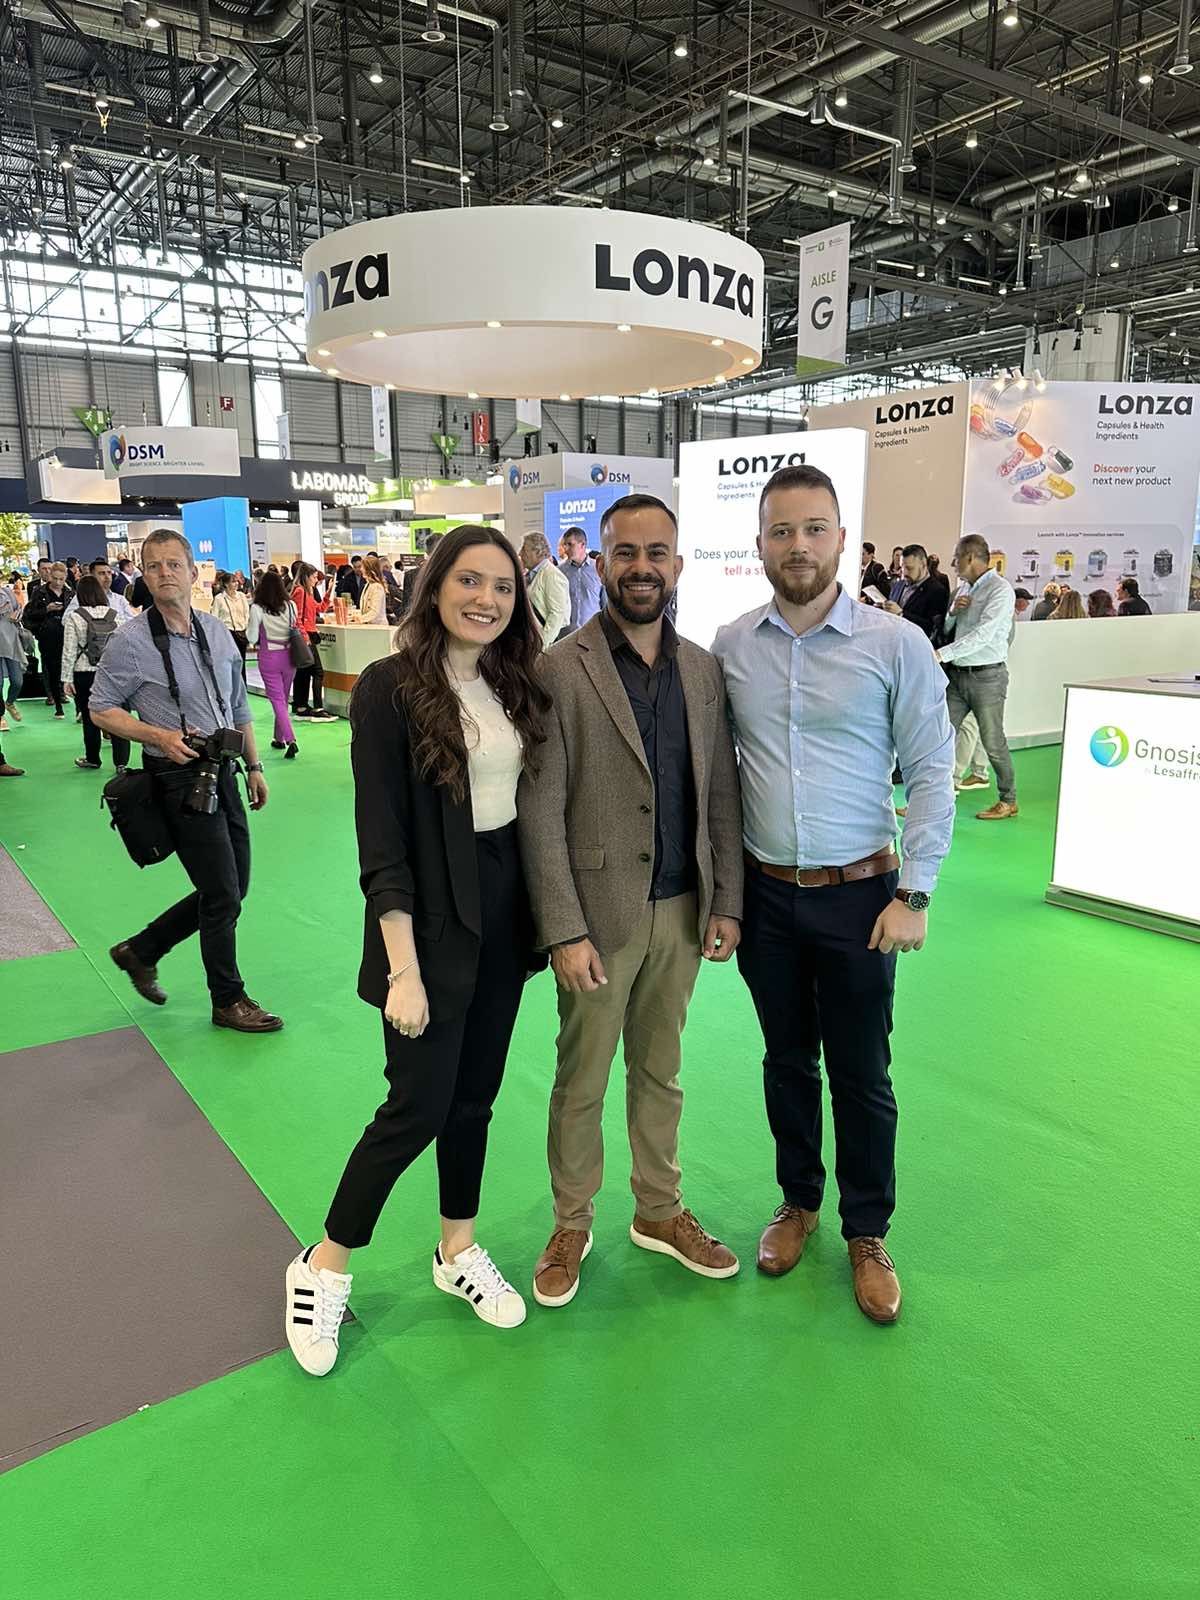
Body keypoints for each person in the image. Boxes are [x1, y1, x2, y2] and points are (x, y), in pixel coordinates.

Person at [285, 527, 552, 1375]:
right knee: (418, 1106)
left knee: (474, 1100)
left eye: (502, 586)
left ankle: (456, 1249)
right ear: (434, 587)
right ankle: (323, 1263)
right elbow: (383, 845)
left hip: (505, 910)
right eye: (469, 580)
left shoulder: (513, 681)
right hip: (428, 921)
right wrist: (402, 969)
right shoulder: (388, 688)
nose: (486, 599)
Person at [712, 464, 954, 1326]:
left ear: (843, 539)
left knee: (860, 1071)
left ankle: (867, 1230)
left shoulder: (896, 644)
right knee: (785, 1060)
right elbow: (718, 779)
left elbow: (932, 771)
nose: (799, 545)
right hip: (767, 897)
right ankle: (799, 1201)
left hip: (863, 897)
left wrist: (915, 893)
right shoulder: (731, 646)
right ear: (760, 545)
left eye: (815, 528)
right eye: (782, 531)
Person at [518, 493, 744, 1308]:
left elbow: (721, 792)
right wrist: (563, 929)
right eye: (625, 552)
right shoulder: (559, 668)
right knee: (581, 1079)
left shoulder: (704, 671)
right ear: (601, 562)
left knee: (661, 1071)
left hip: (683, 909)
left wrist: (727, 902)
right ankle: (571, 1224)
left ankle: (659, 1211)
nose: (641, 568)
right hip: (596, 919)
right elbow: (541, 809)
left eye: (656, 554)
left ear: (677, 566)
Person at [89, 528, 280, 1034]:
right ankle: (228, 999)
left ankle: (142, 949)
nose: (165, 573)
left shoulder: (215, 631)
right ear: (144, 576)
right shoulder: (130, 642)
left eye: (174, 563)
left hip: (225, 769)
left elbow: (238, 707)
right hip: (176, 777)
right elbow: (100, 708)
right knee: (221, 894)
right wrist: (157, 734)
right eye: (153, 566)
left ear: (194, 572)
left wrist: (255, 767)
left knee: (233, 887)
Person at [936, 534, 1018, 822]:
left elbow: (983, 635)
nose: (953, 564)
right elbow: (950, 627)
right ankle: (934, 799)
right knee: (940, 736)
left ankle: (1008, 800)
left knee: (993, 741)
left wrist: (940, 654)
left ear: (970, 557)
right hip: (958, 675)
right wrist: (952, 612)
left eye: (956, 558)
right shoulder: (964, 589)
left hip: (987, 677)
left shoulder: (1000, 590)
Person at [61, 574, 131, 773]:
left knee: (90, 716)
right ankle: (121, 763)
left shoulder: (75, 617)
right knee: (118, 716)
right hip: (112, 672)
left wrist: (66, 679)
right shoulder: (115, 615)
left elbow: (69, 649)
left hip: (85, 672)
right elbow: (124, 646)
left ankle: (93, 758)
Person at [247, 569, 300, 760]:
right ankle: (278, 738)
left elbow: (252, 637)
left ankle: (291, 739)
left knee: (277, 700)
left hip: (269, 656)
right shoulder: (291, 605)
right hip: (290, 656)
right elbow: (294, 625)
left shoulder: (257, 608)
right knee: (283, 699)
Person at [23, 561, 71, 717]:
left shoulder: (70, 592)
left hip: (67, 633)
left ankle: (65, 695)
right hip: (47, 635)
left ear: (65, 577)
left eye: (61, 579)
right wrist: (47, 609)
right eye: (55, 578)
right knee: (51, 668)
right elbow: (30, 614)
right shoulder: (39, 592)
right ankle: (56, 701)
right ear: (50, 576)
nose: (58, 582)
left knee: (68, 666)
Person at [290, 562, 337, 721]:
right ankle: (317, 708)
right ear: (307, 576)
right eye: (314, 577)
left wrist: (329, 592)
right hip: (305, 637)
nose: (316, 580)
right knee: (317, 671)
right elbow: (297, 617)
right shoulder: (300, 591)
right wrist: (305, 637)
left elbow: (320, 608)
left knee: (305, 672)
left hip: (308, 635)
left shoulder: (308, 592)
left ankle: (302, 706)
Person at [883, 544, 945, 642]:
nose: (904, 573)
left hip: (914, 644)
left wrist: (901, 614)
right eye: (902, 567)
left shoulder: (937, 591)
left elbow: (932, 628)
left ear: (923, 565)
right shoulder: (898, 585)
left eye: (909, 568)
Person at [520, 532, 571, 648]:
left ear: (538, 552)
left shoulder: (552, 575)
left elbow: (557, 614)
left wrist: (542, 645)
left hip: (545, 643)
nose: (520, 554)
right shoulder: (533, 574)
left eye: (524, 549)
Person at [560, 525, 604, 632]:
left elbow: (605, 604)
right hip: (566, 634)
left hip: (593, 632)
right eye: (565, 545)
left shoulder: (598, 569)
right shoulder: (560, 571)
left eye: (570, 544)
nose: (566, 549)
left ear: (582, 545)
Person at [64, 559, 138, 623]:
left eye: (109, 573)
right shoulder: (81, 598)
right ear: (92, 576)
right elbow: (66, 619)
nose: (107, 577)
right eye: (102, 573)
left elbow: (131, 623)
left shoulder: (120, 599)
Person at [210, 570, 251, 678]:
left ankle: (243, 685)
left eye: (236, 581)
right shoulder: (219, 599)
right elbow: (215, 617)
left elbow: (246, 613)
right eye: (233, 582)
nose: (236, 584)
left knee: (241, 661)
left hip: (241, 632)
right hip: (227, 633)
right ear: (226, 584)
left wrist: (246, 627)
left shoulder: (241, 596)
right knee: (229, 662)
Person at [0, 581, 25, 733]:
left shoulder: (7, 592)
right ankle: (0, 716)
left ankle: (9, 702)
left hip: (11, 642)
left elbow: (19, 608)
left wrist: (17, 615)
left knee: (17, 681)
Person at [356, 554, 389, 626]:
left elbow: (374, 612)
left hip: (378, 627)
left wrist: (360, 619)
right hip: (370, 626)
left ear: (369, 569)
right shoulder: (368, 585)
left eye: (362, 567)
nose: (361, 569)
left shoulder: (377, 587)